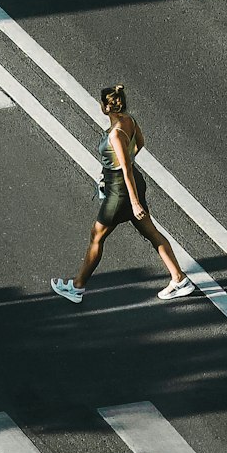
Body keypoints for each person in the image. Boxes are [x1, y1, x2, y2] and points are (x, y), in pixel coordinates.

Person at [51, 84, 195, 304]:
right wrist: (126, 162)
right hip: (131, 185)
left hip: (121, 193)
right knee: (152, 233)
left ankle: (77, 287)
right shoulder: (129, 121)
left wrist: (134, 202)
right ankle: (179, 279)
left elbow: (125, 169)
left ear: (107, 106)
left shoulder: (116, 134)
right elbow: (140, 144)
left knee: (96, 236)